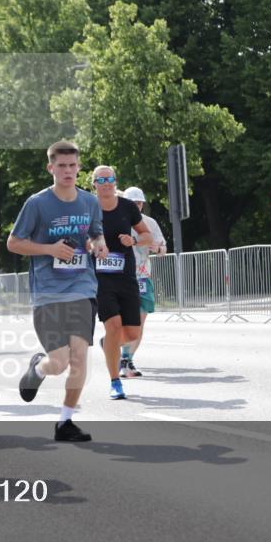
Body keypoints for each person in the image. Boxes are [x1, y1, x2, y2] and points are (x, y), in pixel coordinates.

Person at [7, 140, 107, 442]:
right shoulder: (37, 203)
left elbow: (95, 233)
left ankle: (65, 422)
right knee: (59, 363)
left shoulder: (89, 202)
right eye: (61, 166)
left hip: (82, 287)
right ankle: (38, 368)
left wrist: (98, 244)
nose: (67, 171)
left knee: (79, 360)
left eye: (72, 165)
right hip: (48, 293)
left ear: (79, 167)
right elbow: (13, 243)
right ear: (51, 168)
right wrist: (49, 249)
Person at [91, 166, 150, 400]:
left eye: (110, 178)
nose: (106, 183)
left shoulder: (127, 206)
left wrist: (133, 240)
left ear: (116, 181)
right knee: (114, 325)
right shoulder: (87, 207)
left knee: (133, 333)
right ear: (94, 183)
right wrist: (92, 245)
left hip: (126, 276)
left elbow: (147, 236)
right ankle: (115, 382)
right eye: (101, 179)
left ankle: (109, 344)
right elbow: (78, 239)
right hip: (100, 277)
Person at [120, 186, 167, 375]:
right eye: (132, 202)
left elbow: (163, 249)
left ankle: (127, 360)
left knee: (138, 323)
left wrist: (157, 247)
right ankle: (123, 357)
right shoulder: (117, 220)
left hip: (142, 277)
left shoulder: (149, 223)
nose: (136, 206)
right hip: (121, 278)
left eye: (139, 203)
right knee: (124, 322)